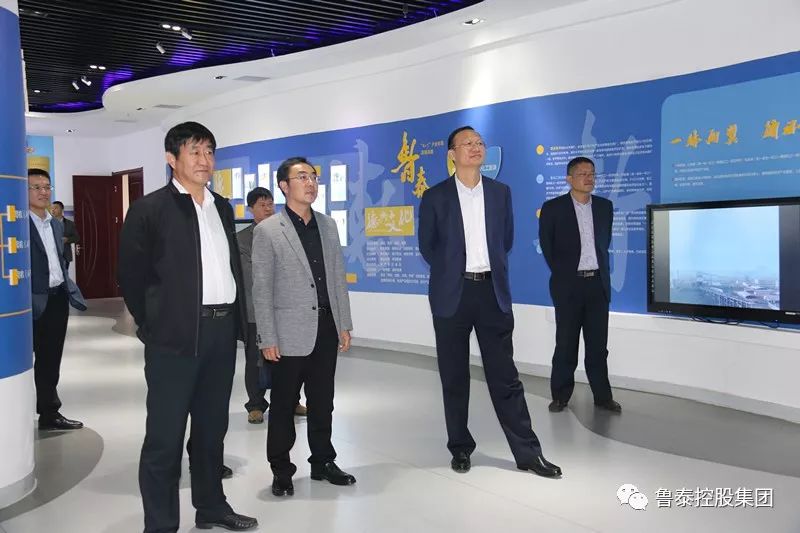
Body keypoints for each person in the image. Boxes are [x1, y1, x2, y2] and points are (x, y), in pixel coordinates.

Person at [118, 122, 257, 532]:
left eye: (209, 151)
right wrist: (154, 325)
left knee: (212, 430)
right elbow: (131, 276)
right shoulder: (150, 209)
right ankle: (161, 524)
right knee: (165, 437)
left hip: (220, 333)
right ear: (171, 158)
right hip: (174, 339)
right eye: (194, 151)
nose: (204, 160)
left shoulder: (221, 207)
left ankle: (211, 506)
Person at [418, 126, 561, 478]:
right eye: (467, 143)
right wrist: (454, 270)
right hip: (452, 295)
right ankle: (460, 447)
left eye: (479, 143)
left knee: (506, 377)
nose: (475, 147)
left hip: (491, 292)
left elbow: (505, 240)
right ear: (451, 154)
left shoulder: (500, 192)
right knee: (454, 377)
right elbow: (428, 247)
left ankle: (528, 453)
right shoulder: (435, 196)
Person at [252, 156, 355, 498]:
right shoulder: (268, 230)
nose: (310, 183)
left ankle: (323, 461)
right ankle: (281, 470)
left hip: (325, 328)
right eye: (302, 177)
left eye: (313, 177)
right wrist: (267, 336)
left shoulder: (328, 225)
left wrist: (343, 323)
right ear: (284, 186)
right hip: (287, 333)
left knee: (323, 402)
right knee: (283, 405)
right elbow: (261, 289)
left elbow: (337, 279)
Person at [538, 156, 621, 414]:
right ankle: (560, 396)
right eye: (583, 173)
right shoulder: (553, 208)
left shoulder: (605, 207)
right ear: (569, 178)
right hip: (569, 286)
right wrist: (565, 274)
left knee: (598, 346)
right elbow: (548, 247)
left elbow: (603, 244)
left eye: (592, 173)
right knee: (566, 343)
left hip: (597, 284)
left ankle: (602, 396)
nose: (589, 178)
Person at [237, 187, 307, 424]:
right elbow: (253, 276)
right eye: (262, 205)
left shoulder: (285, 233)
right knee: (255, 360)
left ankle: (292, 400)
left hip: (286, 310)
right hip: (256, 311)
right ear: (251, 209)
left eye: (270, 204)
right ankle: (255, 405)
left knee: (291, 359)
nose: (268, 209)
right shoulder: (242, 239)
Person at [28, 168, 86, 431]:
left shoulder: (55, 223)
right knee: (23, 360)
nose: (43, 192)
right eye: (36, 187)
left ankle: (49, 413)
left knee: (51, 359)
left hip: (57, 298)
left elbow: (59, 260)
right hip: (30, 302)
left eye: (46, 187)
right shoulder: (17, 224)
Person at [49, 200, 80, 268]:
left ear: (62, 210)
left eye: (55, 208)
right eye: (51, 208)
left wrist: (67, 239)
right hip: (51, 256)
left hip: (65, 256)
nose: (53, 210)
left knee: (64, 273)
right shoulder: (47, 223)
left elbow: (76, 238)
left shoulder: (70, 223)